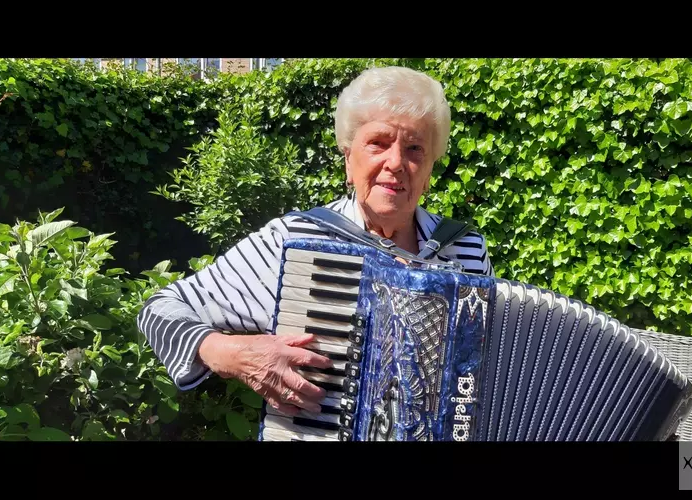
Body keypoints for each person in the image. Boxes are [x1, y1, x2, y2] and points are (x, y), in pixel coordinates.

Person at [136, 65, 495, 418]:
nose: (396, 162)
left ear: (430, 168)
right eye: (378, 143)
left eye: (415, 148)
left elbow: (490, 369)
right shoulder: (296, 240)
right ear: (348, 159)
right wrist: (231, 353)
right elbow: (160, 309)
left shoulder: (465, 251)